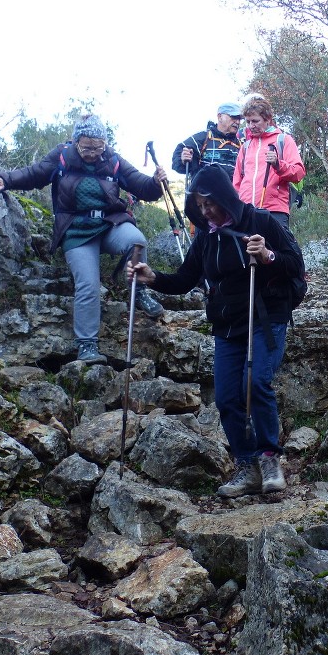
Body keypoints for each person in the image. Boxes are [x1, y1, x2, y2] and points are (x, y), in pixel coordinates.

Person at [127, 163, 300, 497]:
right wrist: (154, 278)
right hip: (227, 323)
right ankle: (247, 467)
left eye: (210, 203)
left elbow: (295, 264)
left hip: (265, 316)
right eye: (200, 205)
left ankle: (269, 459)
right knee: (226, 398)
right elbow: (185, 279)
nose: (205, 210)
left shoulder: (261, 222)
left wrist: (266, 255)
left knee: (257, 383)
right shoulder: (206, 237)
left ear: (225, 197)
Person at [0, 114, 166, 365]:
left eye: (98, 146)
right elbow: (34, 174)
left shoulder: (113, 160)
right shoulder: (62, 156)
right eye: (87, 146)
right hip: (76, 230)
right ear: (76, 140)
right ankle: (87, 345)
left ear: (105, 143)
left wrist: (156, 183)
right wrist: (5, 178)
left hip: (109, 225)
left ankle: (139, 291)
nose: (93, 152)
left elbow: (141, 185)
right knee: (89, 285)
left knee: (136, 241)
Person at [232, 95, 306, 231]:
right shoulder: (246, 146)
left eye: (255, 121)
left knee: (278, 252)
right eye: (248, 122)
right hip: (246, 212)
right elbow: (237, 182)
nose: (250, 126)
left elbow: (299, 173)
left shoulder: (283, 140)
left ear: (268, 120)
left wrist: (278, 165)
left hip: (275, 211)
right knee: (245, 252)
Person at [171, 102, 243, 190]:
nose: (238, 122)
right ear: (220, 116)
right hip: (203, 198)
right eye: (233, 117)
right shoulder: (202, 138)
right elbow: (178, 158)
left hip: (230, 200)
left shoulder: (241, 145)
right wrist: (182, 159)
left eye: (239, 119)